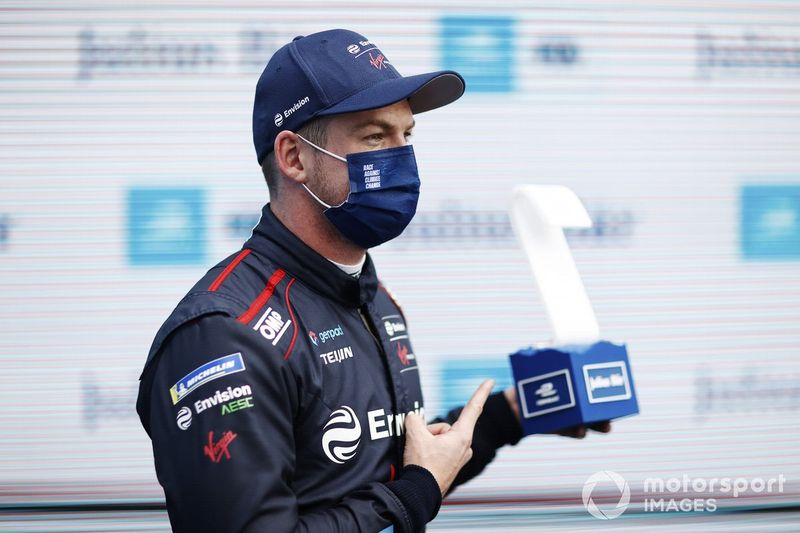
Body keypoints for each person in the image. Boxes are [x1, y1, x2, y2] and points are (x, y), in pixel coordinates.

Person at [136, 28, 610, 533]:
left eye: (407, 135)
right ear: (294, 157)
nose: (401, 156)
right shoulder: (224, 335)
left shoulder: (372, 296)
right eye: (375, 137)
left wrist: (512, 415)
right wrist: (414, 494)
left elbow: (384, 471)